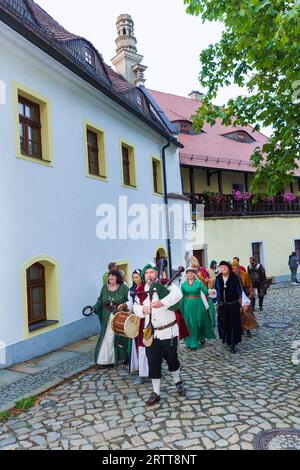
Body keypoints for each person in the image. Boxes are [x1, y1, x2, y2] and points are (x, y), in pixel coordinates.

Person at [133, 263, 189, 407]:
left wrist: (162, 303)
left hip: (168, 331)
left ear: (157, 274)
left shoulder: (166, 285)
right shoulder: (140, 290)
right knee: (153, 362)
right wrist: (142, 309)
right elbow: (134, 307)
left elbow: (178, 295)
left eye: (152, 272)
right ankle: (156, 392)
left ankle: (178, 382)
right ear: (144, 275)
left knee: (172, 359)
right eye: (147, 273)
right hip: (151, 333)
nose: (149, 275)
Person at [118, 269, 149, 384]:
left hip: (147, 318)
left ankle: (151, 370)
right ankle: (141, 370)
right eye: (134, 277)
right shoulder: (131, 290)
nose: (135, 279)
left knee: (148, 344)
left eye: (137, 277)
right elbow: (131, 303)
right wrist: (125, 304)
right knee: (138, 345)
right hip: (136, 319)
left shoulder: (147, 288)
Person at [93, 270, 129, 366]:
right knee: (108, 337)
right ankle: (106, 360)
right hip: (106, 316)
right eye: (110, 276)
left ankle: (123, 357)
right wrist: (94, 308)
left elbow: (131, 301)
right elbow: (100, 300)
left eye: (113, 276)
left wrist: (124, 305)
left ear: (118, 277)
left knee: (120, 337)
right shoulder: (104, 288)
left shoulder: (124, 288)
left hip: (119, 316)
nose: (111, 278)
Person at [181, 267, 216, 350]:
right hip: (187, 306)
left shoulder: (199, 283)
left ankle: (201, 336)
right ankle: (192, 343)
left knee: (198, 322)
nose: (190, 274)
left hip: (198, 305)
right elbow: (182, 296)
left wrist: (210, 292)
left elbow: (205, 291)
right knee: (189, 323)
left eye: (191, 273)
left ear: (194, 274)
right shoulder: (183, 284)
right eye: (188, 273)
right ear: (186, 274)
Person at [215, 261, 242, 354]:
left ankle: (233, 344)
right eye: (221, 267)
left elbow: (240, 290)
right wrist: (214, 296)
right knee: (224, 324)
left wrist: (243, 302)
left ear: (228, 267)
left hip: (233, 304)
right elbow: (216, 291)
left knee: (233, 324)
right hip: (222, 306)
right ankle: (227, 340)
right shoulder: (218, 278)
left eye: (225, 267)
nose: (223, 269)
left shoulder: (234, 277)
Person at [232, 260, 258, 338]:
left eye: (236, 268)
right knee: (238, 314)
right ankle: (241, 329)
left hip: (244, 296)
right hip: (236, 297)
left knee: (247, 313)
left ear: (238, 268)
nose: (235, 270)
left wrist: (250, 294)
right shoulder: (231, 276)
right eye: (233, 268)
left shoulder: (244, 275)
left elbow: (249, 285)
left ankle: (248, 330)